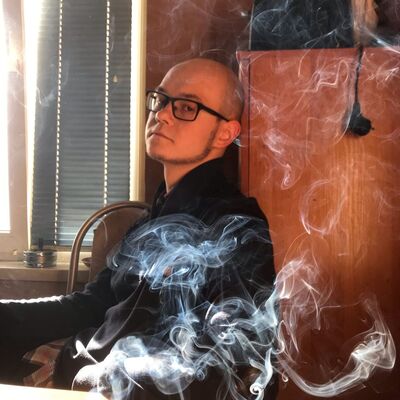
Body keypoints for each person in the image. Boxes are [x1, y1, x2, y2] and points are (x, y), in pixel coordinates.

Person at [0, 58, 276, 399]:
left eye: (186, 107)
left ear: (225, 133)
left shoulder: (234, 224)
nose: (161, 115)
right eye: (160, 100)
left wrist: (104, 378)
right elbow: (92, 304)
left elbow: (237, 357)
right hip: (76, 359)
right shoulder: (151, 220)